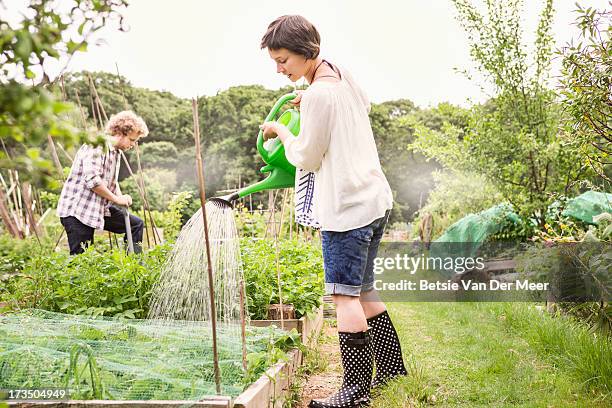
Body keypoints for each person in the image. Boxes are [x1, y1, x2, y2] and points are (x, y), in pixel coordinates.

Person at [259, 15, 407, 408]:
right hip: (374, 197)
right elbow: (363, 105)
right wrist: (307, 99)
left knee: (344, 297)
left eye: (283, 59)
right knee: (365, 289)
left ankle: (354, 392)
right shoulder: (338, 73)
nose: (279, 68)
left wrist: (281, 130)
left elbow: (307, 155)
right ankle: (393, 371)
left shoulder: (319, 96)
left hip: (347, 207)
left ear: (307, 52)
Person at [57, 110, 148, 255]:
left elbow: (111, 181)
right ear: (120, 133)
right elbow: (93, 182)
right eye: (132, 140)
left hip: (98, 208)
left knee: (135, 224)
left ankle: (134, 265)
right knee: (82, 261)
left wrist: (120, 198)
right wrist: (117, 199)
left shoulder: (115, 152)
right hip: (78, 211)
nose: (133, 145)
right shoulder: (97, 146)